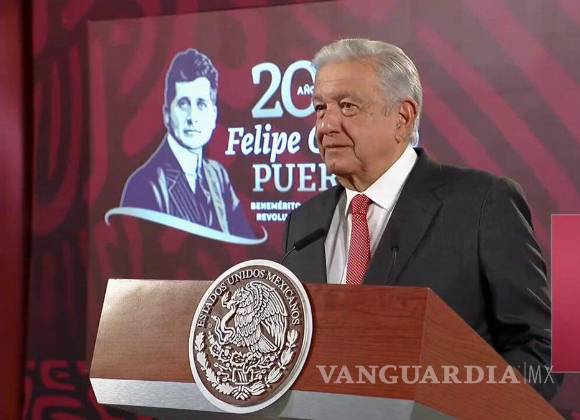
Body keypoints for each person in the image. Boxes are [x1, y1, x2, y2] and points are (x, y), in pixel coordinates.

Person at [282, 38, 559, 399]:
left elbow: (539, 349)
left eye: (347, 106)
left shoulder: (481, 204)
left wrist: (461, 404)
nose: (326, 125)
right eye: (320, 108)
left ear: (402, 118)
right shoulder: (304, 223)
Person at [121, 48, 254, 238]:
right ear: (167, 114)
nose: (192, 117)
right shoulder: (145, 185)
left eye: (201, 104)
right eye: (183, 104)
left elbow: (245, 244)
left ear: (213, 115)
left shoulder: (217, 175)